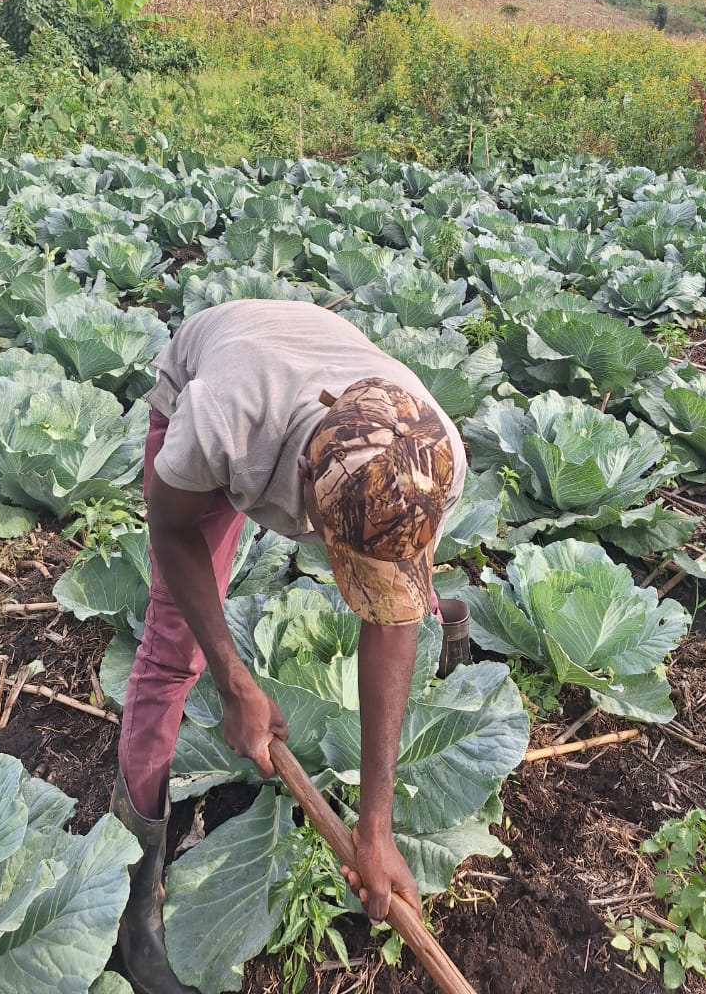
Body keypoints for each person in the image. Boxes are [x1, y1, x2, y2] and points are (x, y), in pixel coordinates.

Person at [111, 298, 470, 994]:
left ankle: (448, 619)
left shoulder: (431, 454)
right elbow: (170, 529)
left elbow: (391, 620)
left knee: (405, 602)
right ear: (304, 484)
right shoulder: (222, 422)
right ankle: (136, 886)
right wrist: (234, 681)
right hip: (223, 365)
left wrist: (375, 827)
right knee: (171, 652)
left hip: (308, 365)